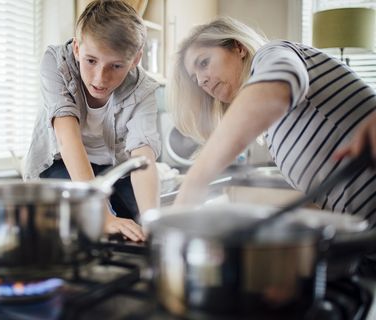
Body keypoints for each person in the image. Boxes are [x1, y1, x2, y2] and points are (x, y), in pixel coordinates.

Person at [168, 17, 376, 224]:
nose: (202, 80)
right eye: (195, 78)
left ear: (238, 47)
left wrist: (194, 182)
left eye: (204, 63)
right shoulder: (273, 132)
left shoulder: (272, 53)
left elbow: (280, 82)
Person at [23, 0, 161, 241]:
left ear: (136, 59)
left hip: (114, 166)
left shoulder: (144, 89)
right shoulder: (56, 63)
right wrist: (102, 214)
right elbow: (68, 139)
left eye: (116, 66)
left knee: (141, 226)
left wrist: (153, 222)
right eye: (91, 61)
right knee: (79, 224)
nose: (100, 78)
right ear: (77, 48)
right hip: (61, 164)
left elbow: (142, 157)